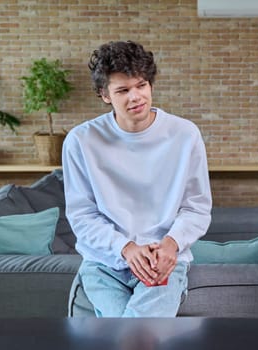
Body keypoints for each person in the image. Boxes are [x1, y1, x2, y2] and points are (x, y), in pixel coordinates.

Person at [62, 41, 212, 317]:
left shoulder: (185, 134)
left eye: (141, 85)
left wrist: (171, 244)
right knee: (132, 336)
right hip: (105, 264)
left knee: (134, 335)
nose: (136, 97)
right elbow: (82, 215)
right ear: (104, 94)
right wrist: (126, 248)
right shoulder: (81, 141)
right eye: (123, 90)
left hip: (163, 259)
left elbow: (197, 208)